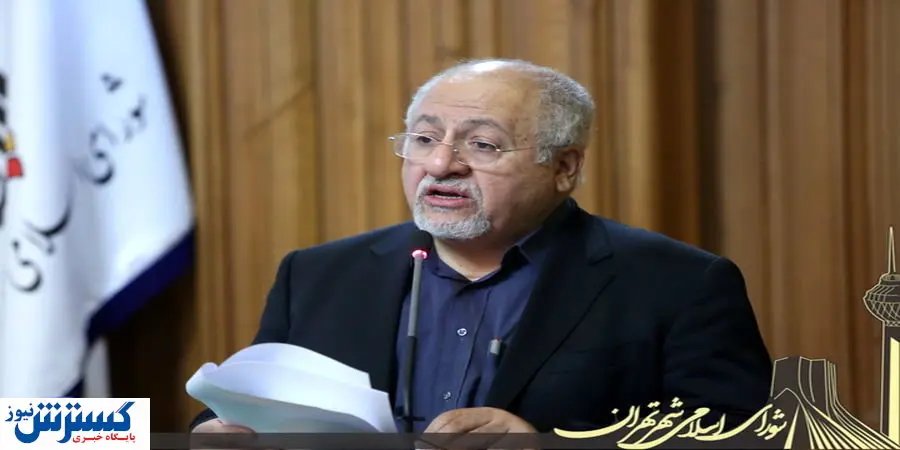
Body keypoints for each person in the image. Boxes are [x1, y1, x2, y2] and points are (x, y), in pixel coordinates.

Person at [190, 59, 773, 437]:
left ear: (564, 167)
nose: (441, 164)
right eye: (424, 139)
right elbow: (248, 400)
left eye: (483, 145)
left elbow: (743, 436)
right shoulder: (319, 275)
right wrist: (217, 432)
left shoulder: (678, 284)